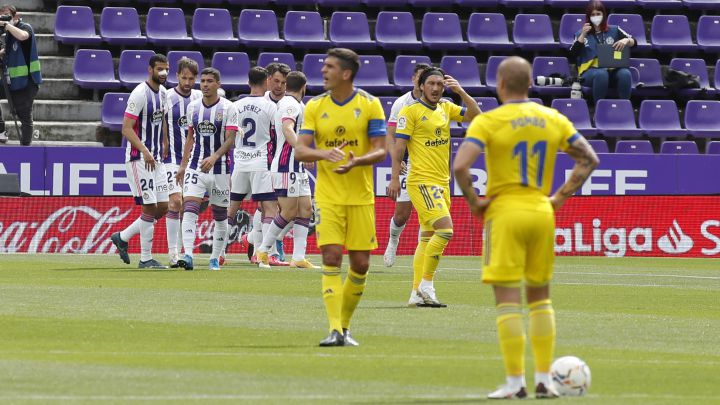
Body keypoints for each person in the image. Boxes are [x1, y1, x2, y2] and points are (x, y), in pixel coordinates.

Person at [453, 56, 599, 399]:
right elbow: (589, 159)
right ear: (530, 83)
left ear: (500, 85)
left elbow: (460, 166)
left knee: (507, 300)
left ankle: (515, 382)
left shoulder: (488, 121)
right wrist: (558, 198)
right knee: (540, 298)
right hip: (540, 211)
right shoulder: (553, 117)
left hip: (504, 212)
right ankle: (546, 380)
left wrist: (475, 202)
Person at [295, 48, 387, 347]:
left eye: (330, 67)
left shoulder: (370, 105)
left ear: (346, 74)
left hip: (361, 196)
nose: (323, 71)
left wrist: (356, 161)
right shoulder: (314, 106)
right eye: (324, 66)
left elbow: (381, 148)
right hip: (328, 196)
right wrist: (325, 153)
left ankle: (344, 327)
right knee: (331, 257)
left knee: (360, 264)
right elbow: (301, 149)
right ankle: (334, 329)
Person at [388, 68, 481, 307]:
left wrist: (460, 90)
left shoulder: (446, 107)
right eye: (431, 83)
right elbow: (399, 148)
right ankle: (427, 285)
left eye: (440, 84)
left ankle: (415, 295)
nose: (436, 88)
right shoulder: (410, 112)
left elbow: (476, 115)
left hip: (442, 182)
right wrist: (395, 177)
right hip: (421, 181)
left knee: (427, 237)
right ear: (421, 86)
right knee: (445, 230)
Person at [175, 67, 238, 271]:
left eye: (209, 81)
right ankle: (188, 255)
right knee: (190, 209)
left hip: (220, 169)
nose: (205, 85)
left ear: (218, 84)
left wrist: (215, 156)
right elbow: (190, 138)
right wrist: (183, 166)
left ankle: (215, 258)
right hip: (196, 167)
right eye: (202, 81)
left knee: (220, 215)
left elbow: (231, 139)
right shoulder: (193, 107)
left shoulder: (229, 108)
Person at [110, 54, 170, 269]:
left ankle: (123, 237)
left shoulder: (163, 93)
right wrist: (144, 150)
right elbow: (126, 128)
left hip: (157, 159)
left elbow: (162, 119)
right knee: (149, 206)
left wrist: (164, 142)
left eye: (166, 69)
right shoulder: (139, 93)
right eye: (160, 69)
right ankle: (146, 258)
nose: (163, 73)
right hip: (139, 159)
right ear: (150, 70)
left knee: (164, 206)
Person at [256, 71, 317, 269]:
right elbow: (287, 128)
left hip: (296, 167)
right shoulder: (290, 104)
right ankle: (263, 251)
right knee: (289, 211)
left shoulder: (297, 105)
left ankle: (298, 257)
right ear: (304, 86)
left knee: (306, 209)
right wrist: (303, 149)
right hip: (285, 166)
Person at [226, 66, 278, 267]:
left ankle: (219, 253)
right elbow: (277, 135)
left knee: (230, 210)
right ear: (266, 82)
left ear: (248, 83)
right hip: (260, 163)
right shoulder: (270, 106)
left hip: (239, 162)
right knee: (269, 209)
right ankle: (263, 253)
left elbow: (228, 135)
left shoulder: (235, 106)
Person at [382, 62, 431, 268]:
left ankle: (423, 256)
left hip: (427, 163)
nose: (422, 84)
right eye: (419, 79)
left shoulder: (437, 104)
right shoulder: (402, 103)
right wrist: (396, 159)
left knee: (427, 213)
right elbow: (390, 134)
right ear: (414, 80)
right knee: (402, 214)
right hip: (406, 161)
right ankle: (393, 241)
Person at [162, 57, 202, 268]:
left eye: (191, 78)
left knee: (189, 205)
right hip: (171, 159)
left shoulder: (199, 97)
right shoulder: (167, 97)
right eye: (184, 77)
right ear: (176, 76)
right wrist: (164, 140)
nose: (187, 82)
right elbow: (159, 120)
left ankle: (185, 252)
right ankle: (173, 254)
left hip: (193, 160)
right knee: (175, 202)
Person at [569, 0, 635, 105]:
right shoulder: (580, 34)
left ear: (603, 15)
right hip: (589, 73)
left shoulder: (615, 30)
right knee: (602, 74)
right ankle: (598, 112)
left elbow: (634, 42)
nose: (596, 17)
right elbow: (572, 55)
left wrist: (626, 40)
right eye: (593, 15)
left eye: (598, 14)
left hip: (612, 71)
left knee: (625, 73)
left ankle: (625, 108)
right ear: (588, 17)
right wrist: (583, 35)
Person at [0, 4, 42, 145]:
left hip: (27, 82)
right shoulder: (8, 35)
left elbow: (23, 37)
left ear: (15, 17)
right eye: (1, 16)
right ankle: (1, 129)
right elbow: (9, 52)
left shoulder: (25, 27)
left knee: (24, 117)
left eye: (7, 15)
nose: (4, 19)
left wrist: (7, 25)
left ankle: (25, 149)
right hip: (12, 81)